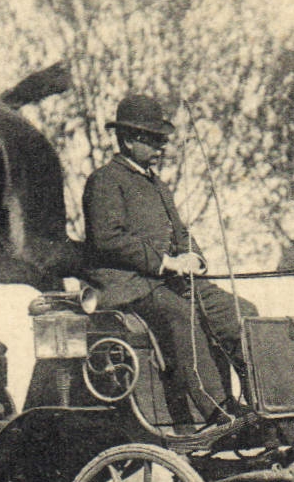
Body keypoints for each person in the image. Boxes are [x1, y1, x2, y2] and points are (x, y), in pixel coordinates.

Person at [82, 95, 257, 429]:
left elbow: (181, 231)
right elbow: (107, 240)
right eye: (154, 139)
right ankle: (218, 412)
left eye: (163, 140)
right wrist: (166, 262)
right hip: (130, 287)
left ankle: (258, 403)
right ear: (129, 140)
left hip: (172, 280)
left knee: (241, 312)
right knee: (181, 315)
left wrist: (196, 259)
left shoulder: (157, 185)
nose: (162, 147)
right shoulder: (105, 181)